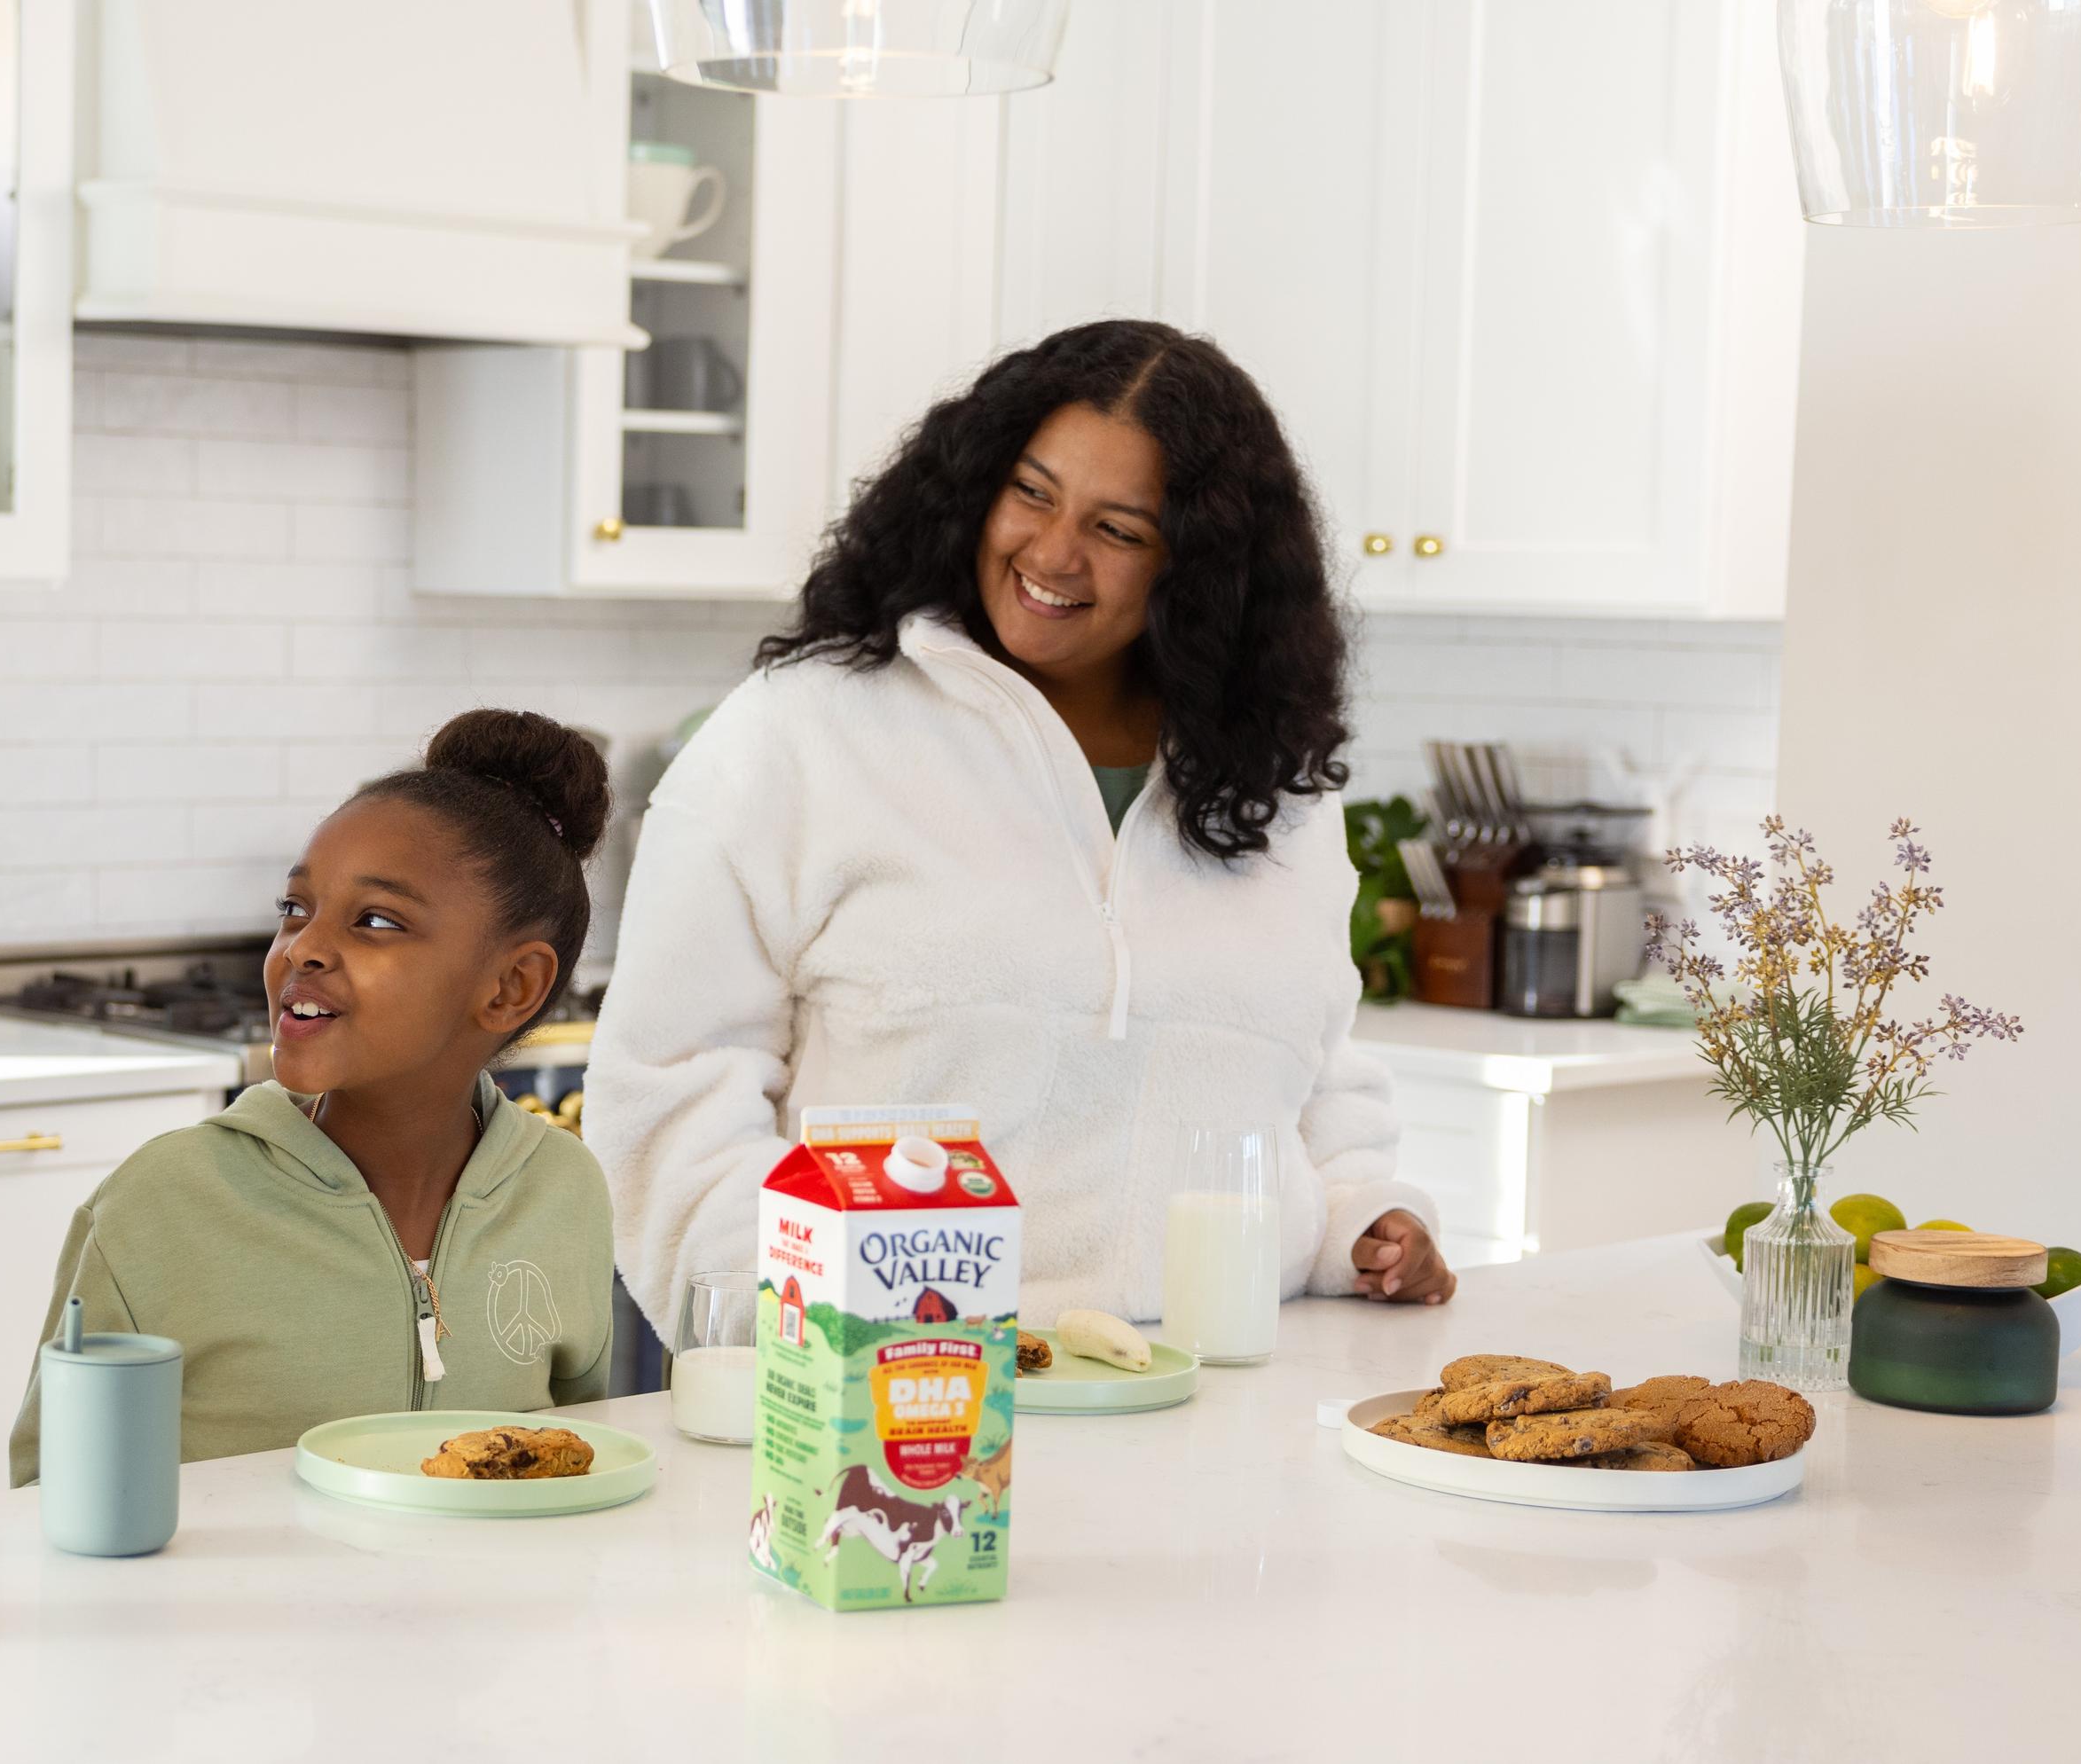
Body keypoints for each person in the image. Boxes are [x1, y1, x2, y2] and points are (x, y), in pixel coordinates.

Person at [587, 319, 1455, 1334]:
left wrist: (1365, 1216)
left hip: (1216, 1418)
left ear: (1200, 572)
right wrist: (790, 1329)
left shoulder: (1278, 791)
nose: (1052, 553)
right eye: (1031, 492)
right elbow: (670, 1089)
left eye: (1119, 530)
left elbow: (1312, 1073)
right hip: (900, 1417)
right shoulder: (802, 733)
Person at [9, 710, 619, 1486]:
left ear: (510, 986)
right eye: (295, 910)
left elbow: (571, 1464)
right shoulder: (162, 1203)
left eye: (374, 920)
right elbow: (49, 1495)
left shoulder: (564, 1193)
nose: (301, 947)